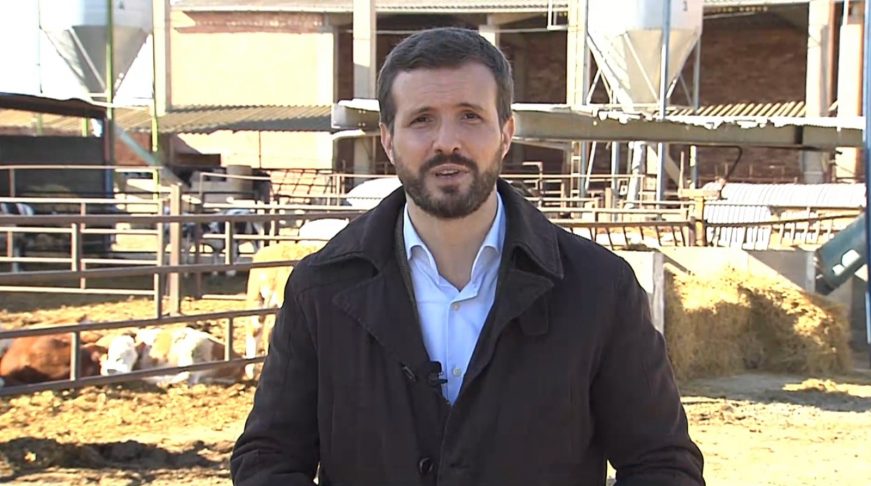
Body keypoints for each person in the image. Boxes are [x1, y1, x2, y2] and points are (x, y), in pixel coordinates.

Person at [231, 27, 704, 486]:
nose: (447, 142)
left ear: (506, 133)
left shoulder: (598, 288)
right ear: (387, 140)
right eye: (422, 119)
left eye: (470, 116)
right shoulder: (322, 288)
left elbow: (662, 463)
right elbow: (268, 458)